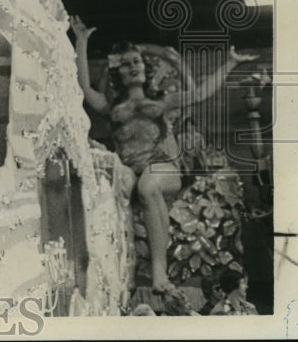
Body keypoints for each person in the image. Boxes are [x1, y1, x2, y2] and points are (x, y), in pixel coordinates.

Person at [70, 16, 256, 295]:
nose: (134, 66)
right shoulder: (112, 106)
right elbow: (84, 88)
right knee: (116, 183)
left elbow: (202, 93)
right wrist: (81, 42)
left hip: (163, 167)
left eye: (137, 61)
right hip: (130, 169)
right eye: (127, 63)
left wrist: (230, 62)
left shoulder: (162, 102)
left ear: (145, 68)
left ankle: (159, 274)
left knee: (149, 185)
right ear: (119, 72)